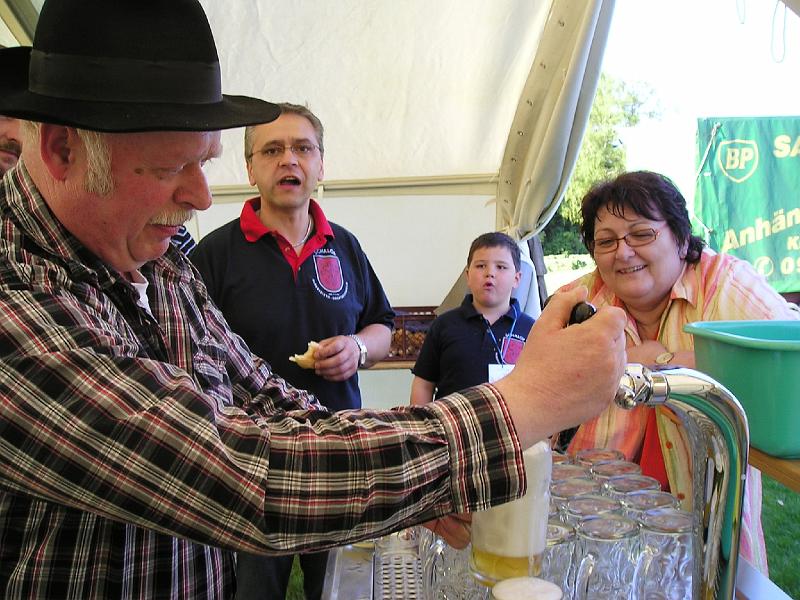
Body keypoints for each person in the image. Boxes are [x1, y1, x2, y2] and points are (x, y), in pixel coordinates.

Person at [0, 1, 627, 597]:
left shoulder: (158, 260)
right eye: (170, 168)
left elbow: (264, 399)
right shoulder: (16, 298)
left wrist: (427, 473)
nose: (197, 195)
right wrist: (524, 404)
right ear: (61, 150)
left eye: (205, 162)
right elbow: (241, 477)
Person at [191, 103, 394, 600]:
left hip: (338, 453)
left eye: (303, 148)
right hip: (254, 463)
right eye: (273, 150)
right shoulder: (213, 255)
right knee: (255, 589)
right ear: (250, 167)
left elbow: (383, 326)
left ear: (320, 165)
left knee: (339, 587)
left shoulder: (344, 246)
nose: (289, 161)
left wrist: (358, 349)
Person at [559, 170, 799, 576]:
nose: (623, 252)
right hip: (597, 533)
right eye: (606, 241)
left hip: (707, 540)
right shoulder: (579, 301)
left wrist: (666, 361)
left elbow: (788, 359)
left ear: (681, 238)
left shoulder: (723, 283)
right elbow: (545, 383)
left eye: (641, 234)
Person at [410, 231, 535, 405]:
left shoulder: (532, 330)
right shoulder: (444, 325)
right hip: (453, 428)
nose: (490, 273)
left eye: (501, 267)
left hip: (513, 430)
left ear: (517, 278)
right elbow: (424, 384)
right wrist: (423, 428)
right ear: (468, 276)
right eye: (481, 266)